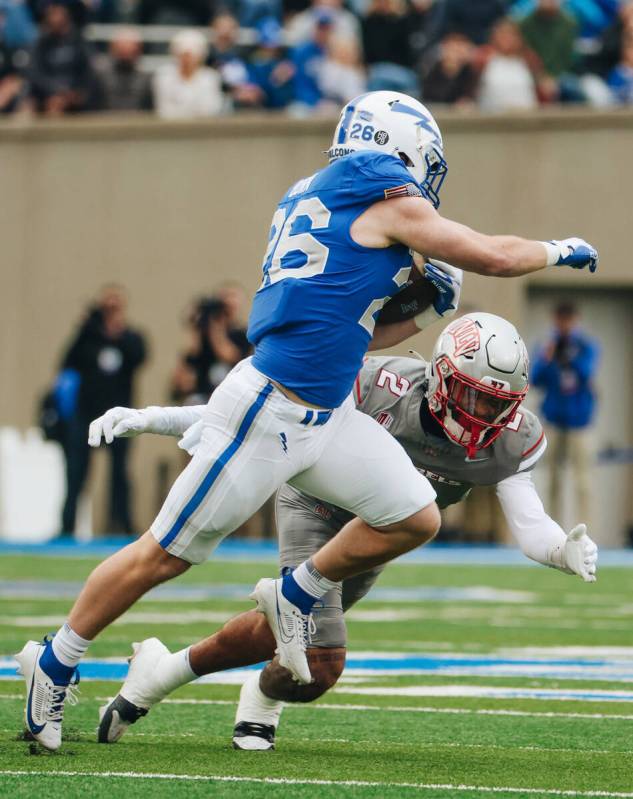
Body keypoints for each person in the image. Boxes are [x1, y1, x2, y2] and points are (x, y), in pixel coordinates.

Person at [16, 90, 598, 752]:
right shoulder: (384, 201)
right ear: (399, 148)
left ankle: (296, 590)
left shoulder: (314, 195)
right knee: (165, 553)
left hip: (325, 411)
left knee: (414, 514)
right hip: (272, 407)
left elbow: (352, 333)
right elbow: (491, 254)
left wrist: (430, 312)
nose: (425, 181)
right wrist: (558, 248)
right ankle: (55, 660)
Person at [92, 313, 599, 748]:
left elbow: (529, 521)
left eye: (497, 403)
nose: (483, 414)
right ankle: (210, 679)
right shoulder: (379, 386)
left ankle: (183, 676)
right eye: (473, 396)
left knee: (287, 643)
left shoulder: (515, 439)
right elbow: (259, 416)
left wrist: (560, 549)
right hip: (318, 504)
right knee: (322, 659)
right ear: (442, 376)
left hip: (380, 532)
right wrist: (156, 418)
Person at [56, 285, 147, 537]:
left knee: (120, 474)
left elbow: (139, 357)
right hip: (86, 415)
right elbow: (67, 362)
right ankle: (67, 526)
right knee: (76, 472)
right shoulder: (88, 337)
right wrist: (86, 327)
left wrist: (117, 331)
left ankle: (122, 526)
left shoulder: (131, 338)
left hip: (118, 417)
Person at [531, 302, 599, 524]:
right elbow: (535, 379)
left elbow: (586, 372)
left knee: (584, 482)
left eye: (568, 320)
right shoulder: (547, 346)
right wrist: (547, 357)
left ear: (575, 320)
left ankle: (586, 531)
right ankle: (553, 529)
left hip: (580, 422)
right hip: (553, 420)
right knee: (552, 480)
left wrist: (569, 356)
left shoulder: (585, 346)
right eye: (560, 320)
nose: (564, 325)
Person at [170, 285, 252, 406]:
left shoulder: (242, 334)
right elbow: (187, 366)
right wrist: (195, 327)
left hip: (230, 396)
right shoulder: (203, 335)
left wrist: (216, 327)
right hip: (203, 396)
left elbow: (228, 354)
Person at [25, 1, 98, 115]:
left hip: (76, 95)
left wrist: (73, 93)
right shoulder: (40, 43)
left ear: (66, 14)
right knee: (32, 104)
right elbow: (35, 74)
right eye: (52, 13)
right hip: (47, 95)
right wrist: (56, 91)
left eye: (58, 12)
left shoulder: (79, 41)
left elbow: (88, 70)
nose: (55, 17)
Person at [153, 29, 223, 119]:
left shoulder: (211, 77)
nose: (187, 60)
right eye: (183, 55)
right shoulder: (163, 76)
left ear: (201, 56)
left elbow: (211, 110)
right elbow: (164, 110)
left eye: (191, 55)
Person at [95, 27, 153, 112]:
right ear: (113, 49)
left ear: (138, 51)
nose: (126, 55)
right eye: (122, 51)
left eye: (131, 51)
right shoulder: (100, 78)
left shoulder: (146, 80)